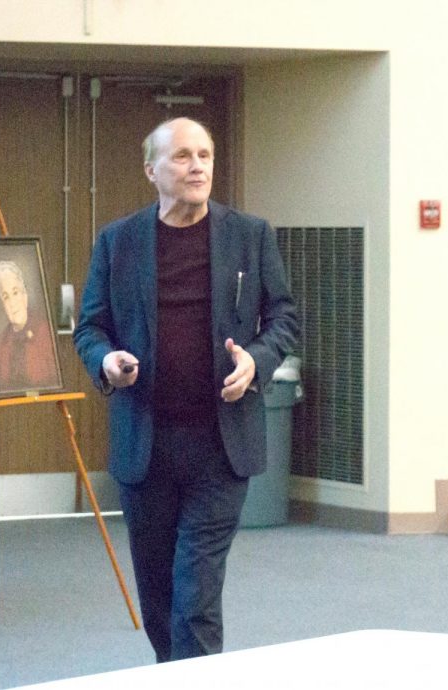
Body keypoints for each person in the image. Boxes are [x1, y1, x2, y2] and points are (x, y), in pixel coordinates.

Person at [74, 117, 298, 662]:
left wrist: (257, 360)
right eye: (182, 157)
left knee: (195, 598)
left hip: (220, 447)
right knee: (158, 597)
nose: (197, 166)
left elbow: (285, 317)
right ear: (152, 170)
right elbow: (90, 327)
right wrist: (107, 362)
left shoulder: (250, 235)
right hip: (146, 447)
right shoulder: (118, 242)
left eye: (205, 155)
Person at [0, 260, 57, 393]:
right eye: (6, 297)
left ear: (24, 296)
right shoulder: (2, 342)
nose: (12, 303)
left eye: (15, 293)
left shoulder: (44, 332)